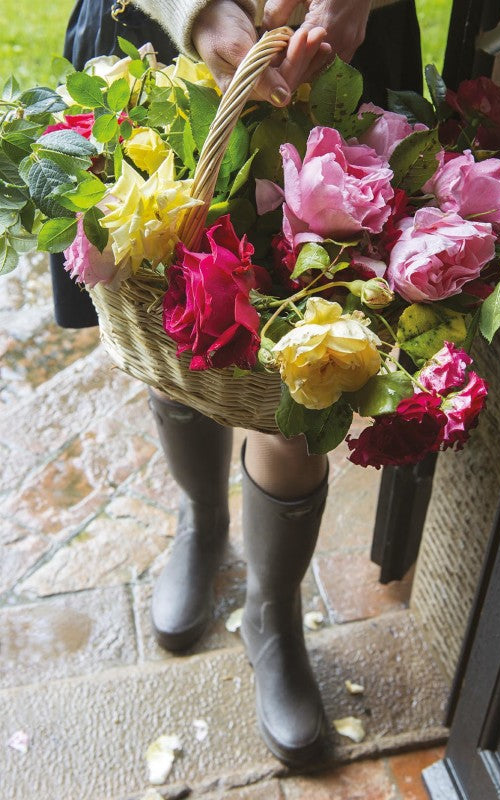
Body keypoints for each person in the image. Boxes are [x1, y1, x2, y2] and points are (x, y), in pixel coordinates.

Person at [52, 0, 422, 766]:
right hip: (155, 35)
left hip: (339, 46)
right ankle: (202, 524)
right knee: (167, 315)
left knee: (305, 364)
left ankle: (271, 614)